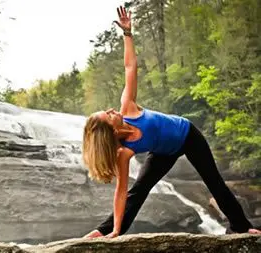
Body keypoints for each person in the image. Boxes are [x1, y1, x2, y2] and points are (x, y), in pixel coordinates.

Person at [82, 6, 261, 239]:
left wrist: (127, 34)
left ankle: (242, 226)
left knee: (214, 181)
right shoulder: (124, 153)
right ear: (111, 130)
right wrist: (115, 229)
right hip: (163, 152)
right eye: (108, 114)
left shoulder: (128, 108)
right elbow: (121, 192)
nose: (111, 110)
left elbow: (130, 67)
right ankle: (103, 231)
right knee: (138, 192)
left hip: (187, 135)